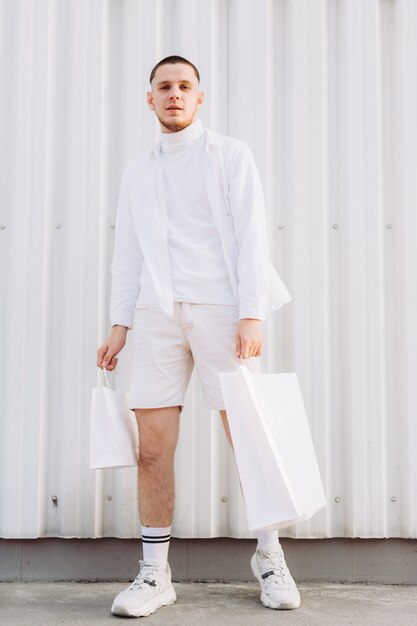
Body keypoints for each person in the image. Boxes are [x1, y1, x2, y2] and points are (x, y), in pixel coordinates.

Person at [97, 55, 300, 618]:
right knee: (153, 447)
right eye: (164, 87)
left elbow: (251, 235)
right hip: (159, 314)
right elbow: (128, 253)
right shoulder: (138, 172)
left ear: (200, 97)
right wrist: (120, 326)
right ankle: (155, 572)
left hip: (222, 310)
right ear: (150, 99)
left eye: (185, 86)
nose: (175, 94)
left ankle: (269, 555)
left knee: (249, 437)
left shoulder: (230, 155)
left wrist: (252, 313)